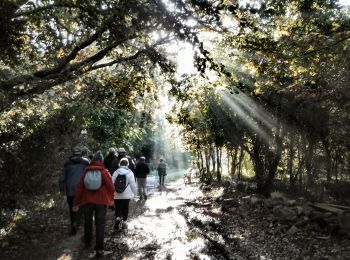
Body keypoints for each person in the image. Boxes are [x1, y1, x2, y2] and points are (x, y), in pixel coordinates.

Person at [73, 151, 114, 258]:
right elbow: (111, 187)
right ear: (101, 161)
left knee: (88, 221)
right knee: (100, 224)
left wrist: (76, 203)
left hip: (87, 201)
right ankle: (99, 249)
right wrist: (111, 200)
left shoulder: (86, 171)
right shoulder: (104, 171)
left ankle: (87, 242)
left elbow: (79, 188)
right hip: (101, 201)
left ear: (92, 161)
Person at [59, 146, 90, 235]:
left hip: (70, 189)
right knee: (82, 206)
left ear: (72, 153)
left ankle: (73, 223)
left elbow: (62, 176)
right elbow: (89, 175)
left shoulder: (67, 163)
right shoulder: (86, 162)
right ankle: (79, 221)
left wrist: (61, 187)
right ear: (80, 152)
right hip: (82, 188)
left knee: (71, 207)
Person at [112, 158, 137, 231]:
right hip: (127, 195)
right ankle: (124, 222)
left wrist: (111, 193)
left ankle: (118, 218)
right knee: (125, 208)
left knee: (118, 207)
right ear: (127, 164)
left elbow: (111, 182)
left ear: (120, 164)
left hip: (117, 194)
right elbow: (133, 184)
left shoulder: (116, 172)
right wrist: (135, 193)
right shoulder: (130, 172)